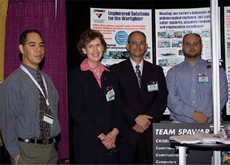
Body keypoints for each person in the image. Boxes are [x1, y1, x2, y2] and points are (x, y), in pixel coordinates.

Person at [0, 29, 61, 164]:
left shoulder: (47, 80)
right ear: (22, 48)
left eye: (41, 45)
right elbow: (7, 123)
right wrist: (16, 155)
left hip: (51, 151)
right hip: (27, 152)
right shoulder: (12, 83)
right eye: (32, 45)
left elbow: (53, 114)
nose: (38, 49)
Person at [111, 31, 168, 164]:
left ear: (146, 46)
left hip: (149, 131)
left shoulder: (156, 70)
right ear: (127, 46)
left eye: (141, 42)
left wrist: (146, 119)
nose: (138, 46)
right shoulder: (116, 70)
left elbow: (162, 98)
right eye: (134, 43)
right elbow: (116, 99)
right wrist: (134, 119)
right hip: (126, 131)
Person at [69, 29, 123, 164]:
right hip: (88, 141)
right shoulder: (76, 75)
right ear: (83, 50)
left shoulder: (110, 75)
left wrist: (114, 133)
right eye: (90, 46)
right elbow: (77, 111)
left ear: (103, 47)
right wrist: (102, 136)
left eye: (98, 45)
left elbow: (119, 106)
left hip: (111, 140)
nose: (95, 50)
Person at [166, 33, 228, 123]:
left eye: (195, 44)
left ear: (201, 45)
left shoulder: (215, 69)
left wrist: (204, 117)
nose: (192, 48)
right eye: (188, 44)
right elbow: (170, 98)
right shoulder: (173, 72)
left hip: (210, 124)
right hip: (181, 126)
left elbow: (222, 96)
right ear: (182, 46)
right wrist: (192, 114)